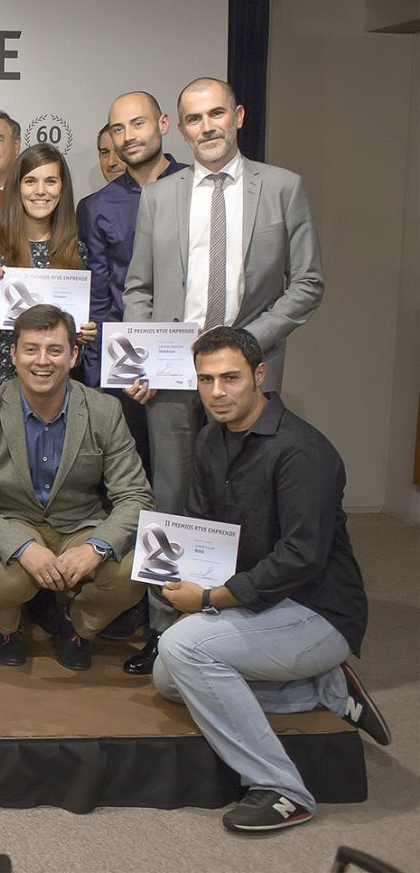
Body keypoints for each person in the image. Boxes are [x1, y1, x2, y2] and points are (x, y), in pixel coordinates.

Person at [123, 78, 324, 674]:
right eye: (194, 118)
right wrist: (142, 357)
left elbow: (307, 283)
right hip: (171, 377)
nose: (206, 127)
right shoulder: (160, 196)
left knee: (248, 506)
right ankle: (165, 628)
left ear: (238, 116)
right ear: (180, 128)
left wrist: (241, 348)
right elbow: (138, 288)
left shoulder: (282, 187)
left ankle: (237, 623)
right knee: (173, 502)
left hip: (247, 374)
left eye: (216, 114)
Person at [152, 326, 387, 833]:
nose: (217, 392)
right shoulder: (212, 438)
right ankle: (325, 690)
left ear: (259, 375)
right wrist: (172, 573)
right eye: (206, 379)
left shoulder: (303, 451)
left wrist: (208, 597)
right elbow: (201, 526)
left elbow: (301, 557)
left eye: (230, 378)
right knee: (168, 678)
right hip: (260, 605)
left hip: (318, 610)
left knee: (184, 649)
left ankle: (283, 789)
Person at [0, 305, 152, 670]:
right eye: (31, 349)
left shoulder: (104, 410)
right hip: (15, 520)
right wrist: (22, 547)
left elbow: (135, 495)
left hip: (81, 523)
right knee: (7, 579)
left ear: (73, 355)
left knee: (132, 572)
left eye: (55, 350)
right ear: (14, 354)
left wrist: (97, 547)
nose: (42, 361)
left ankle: (77, 628)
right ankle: (7, 630)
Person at [80, 91, 188, 673]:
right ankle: (137, 608)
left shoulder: (197, 189)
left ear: (163, 124)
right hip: (126, 378)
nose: (128, 137)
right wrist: (119, 372)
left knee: (182, 500)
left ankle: (176, 624)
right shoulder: (99, 204)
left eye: (138, 124)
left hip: (193, 374)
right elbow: (102, 298)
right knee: (127, 494)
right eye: (117, 129)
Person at [0, 143, 95, 414]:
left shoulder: (76, 251)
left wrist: (82, 334)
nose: (40, 191)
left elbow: (72, 338)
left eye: (50, 181)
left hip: (49, 381)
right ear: (17, 187)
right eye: (30, 181)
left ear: (62, 188)